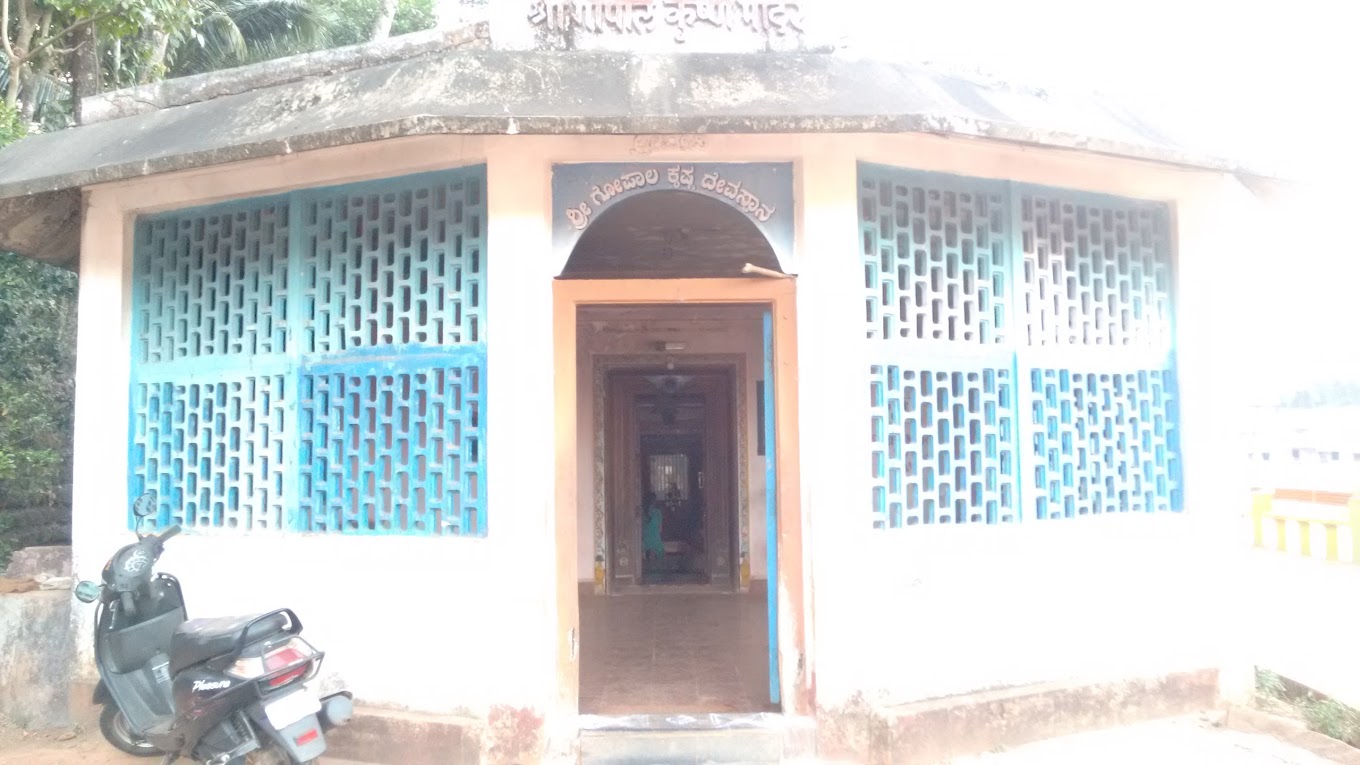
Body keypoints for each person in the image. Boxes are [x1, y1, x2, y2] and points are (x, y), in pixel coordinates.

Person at [642, 491, 665, 564]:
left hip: (644, 544)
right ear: (654, 501)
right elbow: (660, 529)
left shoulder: (641, 513)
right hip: (657, 544)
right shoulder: (658, 512)